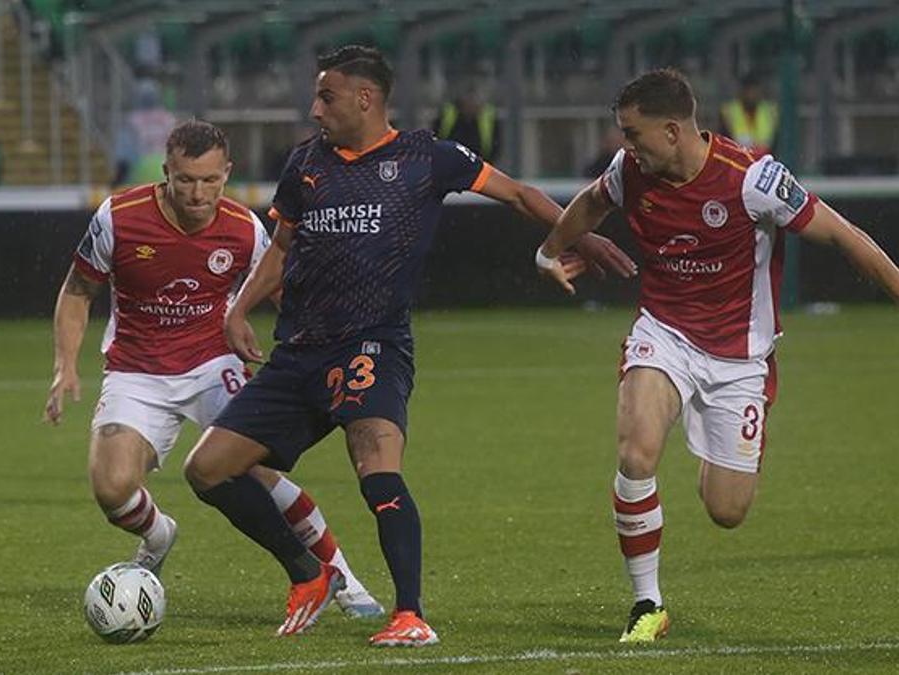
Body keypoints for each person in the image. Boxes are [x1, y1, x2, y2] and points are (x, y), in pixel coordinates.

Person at [180, 45, 636, 646]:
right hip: (298, 352)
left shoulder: (428, 158)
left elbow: (520, 194)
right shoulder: (306, 164)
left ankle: (410, 614)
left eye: (327, 96)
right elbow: (282, 249)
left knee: (375, 465)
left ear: (365, 99)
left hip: (372, 342)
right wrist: (238, 309)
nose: (316, 109)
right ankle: (308, 574)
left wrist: (580, 236)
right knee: (207, 470)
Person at [535, 68, 899, 643]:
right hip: (664, 333)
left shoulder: (753, 178)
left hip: (739, 358)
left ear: (675, 130)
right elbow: (592, 202)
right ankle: (647, 603)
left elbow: (841, 232)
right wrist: (549, 250)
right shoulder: (631, 171)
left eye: (634, 135)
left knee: (726, 511)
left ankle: (728, 443)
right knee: (636, 454)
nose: (625, 146)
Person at [43, 119, 383, 618]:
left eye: (210, 181)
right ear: (166, 173)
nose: (198, 193)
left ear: (227, 173)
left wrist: (323, 343)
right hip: (137, 369)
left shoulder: (245, 228)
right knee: (112, 489)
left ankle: (343, 577)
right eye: (185, 180)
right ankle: (158, 534)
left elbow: (280, 290)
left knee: (254, 468)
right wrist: (64, 366)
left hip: (212, 361)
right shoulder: (120, 217)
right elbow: (78, 290)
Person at [718, 70, 777, 157]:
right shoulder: (729, 111)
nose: (752, 95)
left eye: (755, 90)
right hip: (737, 160)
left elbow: (776, 142)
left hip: (765, 160)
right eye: (749, 90)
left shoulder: (770, 111)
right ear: (742, 91)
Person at [433, 87, 500, 162]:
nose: (470, 106)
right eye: (468, 101)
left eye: (474, 102)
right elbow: (436, 137)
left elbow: (494, 145)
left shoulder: (488, 118)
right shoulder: (449, 115)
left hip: (479, 164)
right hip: (450, 162)